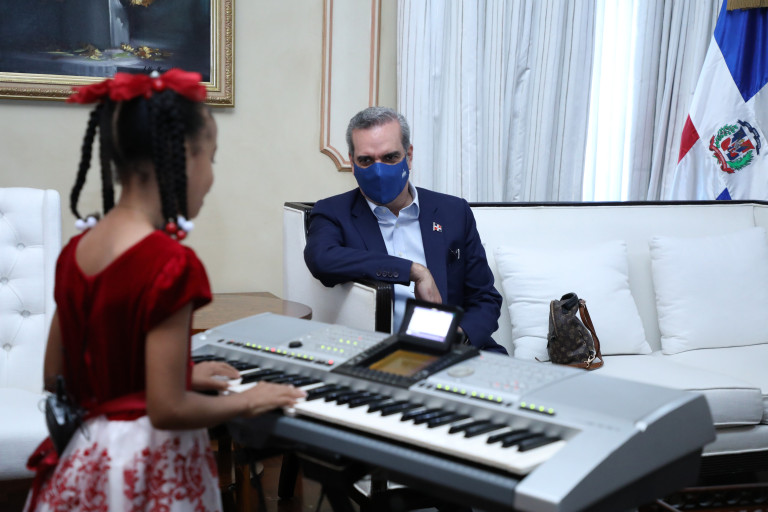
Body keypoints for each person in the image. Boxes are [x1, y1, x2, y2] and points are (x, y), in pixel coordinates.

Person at [24, 69, 305, 511]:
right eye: (212, 158)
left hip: (85, 458)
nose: (210, 177)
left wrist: (178, 375)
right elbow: (168, 410)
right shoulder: (170, 263)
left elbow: (54, 376)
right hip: (144, 466)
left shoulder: (76, 251)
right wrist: (248, 400)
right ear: (184, 156)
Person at [304, 106, 506, 354]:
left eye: (390, 157)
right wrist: (414, 271)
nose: (379, 171)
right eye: (366, 160)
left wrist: (457, 337)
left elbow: (485, 298)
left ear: (408, 156)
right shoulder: (333, 212)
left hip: (459, 350)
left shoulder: (453, 212)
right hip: (385, 356)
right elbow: (321, 259)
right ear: (352, 162)